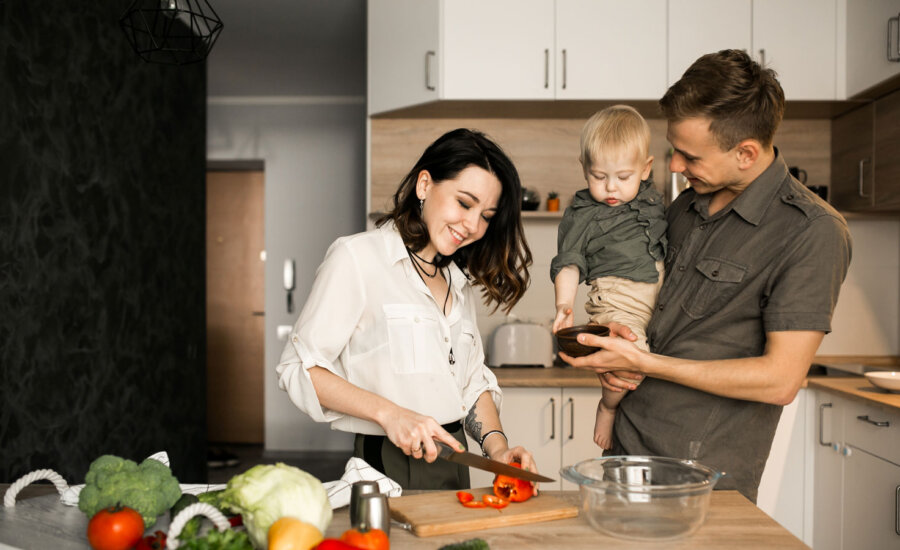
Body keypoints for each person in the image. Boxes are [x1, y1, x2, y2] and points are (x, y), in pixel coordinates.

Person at [559, 49, 852, 503]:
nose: (675, 166)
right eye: (674, 151)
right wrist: (620, 339)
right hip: (626, 452)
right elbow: (653, 305)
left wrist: (645, 363)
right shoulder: (685, 206)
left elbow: (780, 380)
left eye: (689, 156)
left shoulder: (811, 231)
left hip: (702, 478)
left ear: (746, 153)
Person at [276, 128, 537, 490]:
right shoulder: (357, 258)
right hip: (386, 463)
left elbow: (471, 384)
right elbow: (299, 369)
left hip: (455, 461)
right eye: (464, 203)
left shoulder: (457, 283)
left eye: (487, 215)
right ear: (425, 185)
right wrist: (390, 414)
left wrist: (498, 451)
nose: (474, 226)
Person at [549, 105, 667, 450]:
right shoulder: (583, 214)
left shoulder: (652, 199)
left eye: (623, 177)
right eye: (599, 177)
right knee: (629, 358)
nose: (611, 187)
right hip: (616, 299)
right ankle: (608, 407)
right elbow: (569, 262)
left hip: (658, 299)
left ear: (645, 169)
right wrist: (563, 304)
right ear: (584, 169)